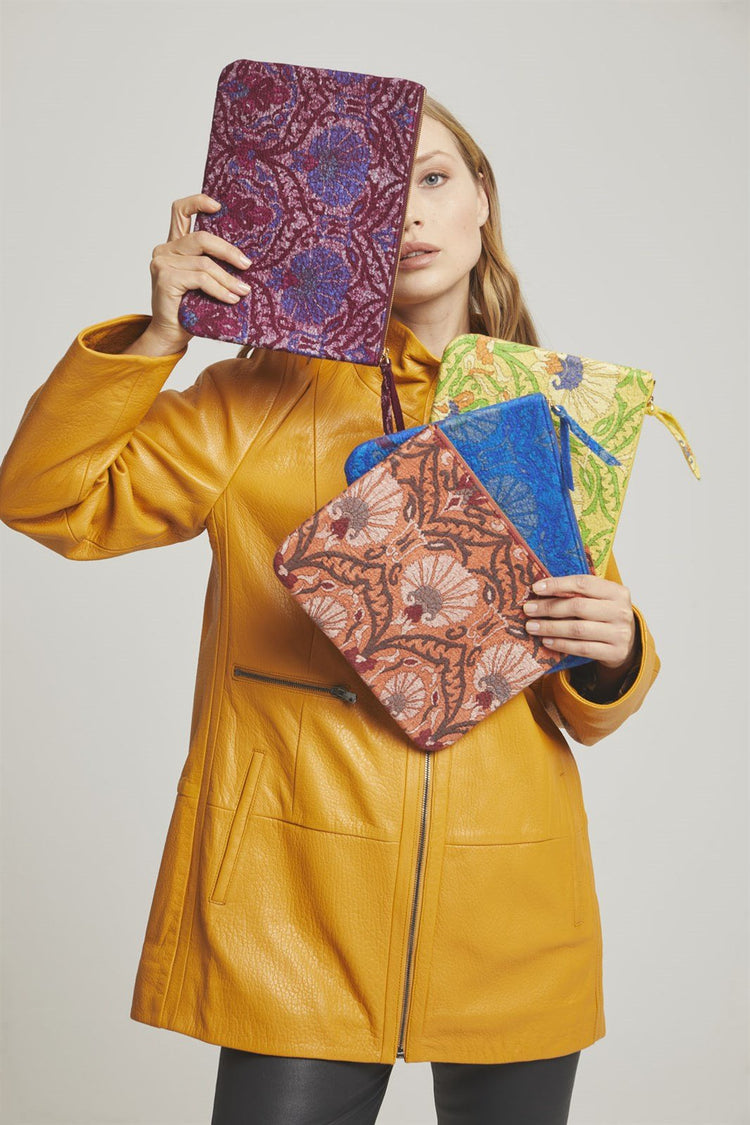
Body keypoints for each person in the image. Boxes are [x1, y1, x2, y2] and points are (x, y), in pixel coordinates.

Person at [0, 93, 659, 1124]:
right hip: (291, 908)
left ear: (482, 198)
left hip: (513, 908)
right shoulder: (255, 401)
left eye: (435, 179)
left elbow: (580, 701)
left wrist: (615, 651)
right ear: (334, 211)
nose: (411, 212)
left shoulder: (553, 409)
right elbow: (46, 498)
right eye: (383, 187)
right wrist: (162, 333)